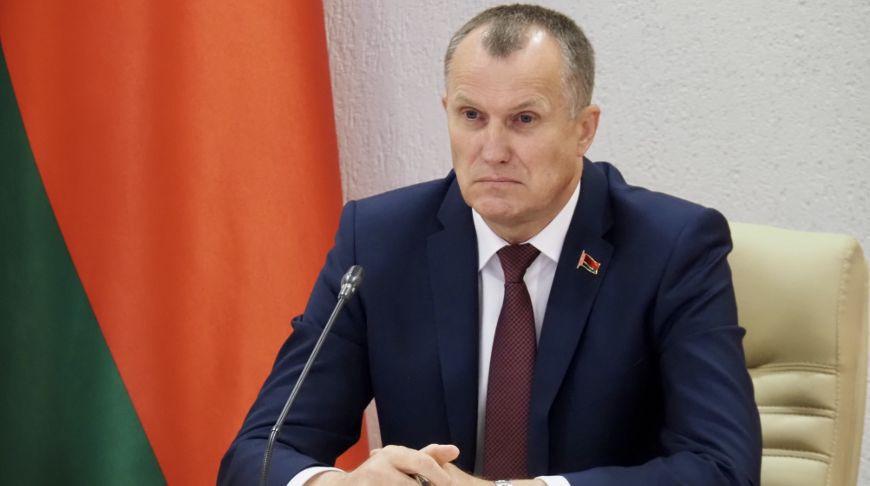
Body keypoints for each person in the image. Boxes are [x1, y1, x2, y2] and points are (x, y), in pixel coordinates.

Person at [218, 4, 762, 486]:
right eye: (472, 116)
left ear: (583, 129)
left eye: (524, 119)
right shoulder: (380, 242)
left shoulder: (672, 248)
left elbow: (722, 468)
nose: (493, 149)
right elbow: (258, 453)